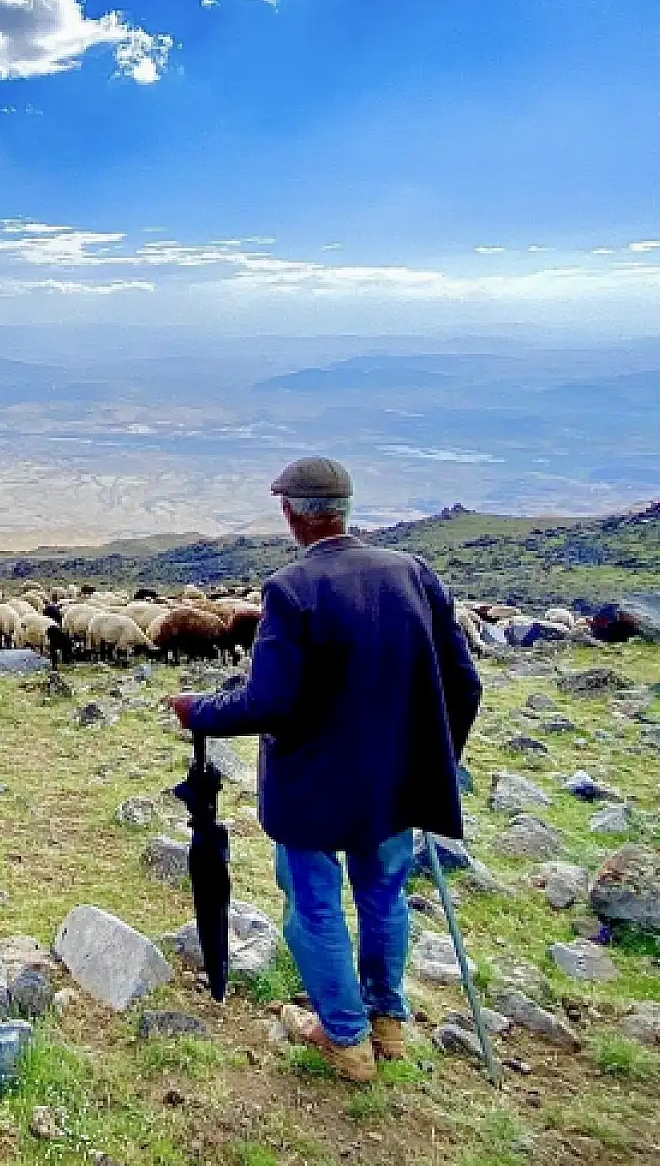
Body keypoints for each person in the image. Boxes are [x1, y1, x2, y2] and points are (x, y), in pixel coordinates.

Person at [169, 456, 483, 1083]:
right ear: (345, 506)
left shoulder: (293, 588)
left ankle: (343, 1036)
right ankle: (386, 1022)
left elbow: (270, 701)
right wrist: (434, 756)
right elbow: (463, 682)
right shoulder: (413, 574)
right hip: (393, 784)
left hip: (314, 788)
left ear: (291, 512)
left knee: (314, 905)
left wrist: (198, 709)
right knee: (384, 894)